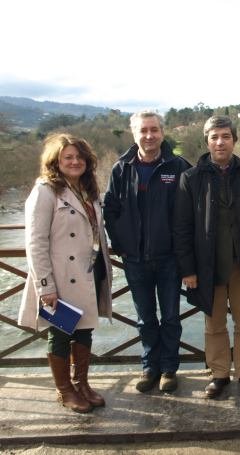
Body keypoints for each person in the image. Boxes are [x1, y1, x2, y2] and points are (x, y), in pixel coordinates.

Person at [18, 133, 112, 413]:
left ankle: (82, 384)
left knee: (84, 330)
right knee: (60, 334)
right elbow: (35, 242)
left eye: (79, 157)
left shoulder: (87, 188)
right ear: (55, 161)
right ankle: (65, 390)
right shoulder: (45, 191)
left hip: (88, 271)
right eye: (68, 157)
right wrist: (45, 285)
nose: (74, 161)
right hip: (59, 277)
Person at [174, 116, 240, 399]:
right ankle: (219, 374)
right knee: (214, 324)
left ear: (234, 140)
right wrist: (188, 269)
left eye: (226, 136)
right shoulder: (191, 178)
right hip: (207, 265)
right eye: (214, 137)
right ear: (207, 142)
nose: (220, 142)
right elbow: (182, 227)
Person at [104, 110, 190, 393]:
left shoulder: (178, 167)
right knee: (145, 319)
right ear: (134, 133)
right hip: (135, 259)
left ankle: (169, 369)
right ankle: (149, 368)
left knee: (171, 318)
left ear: (162, 133)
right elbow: (110, 210)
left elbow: (191, 211)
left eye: (154, 129)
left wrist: (184, 252)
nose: (149, 135)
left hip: (169, 258)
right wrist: (121, 245)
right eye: (143, 130)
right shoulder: (121, 168)